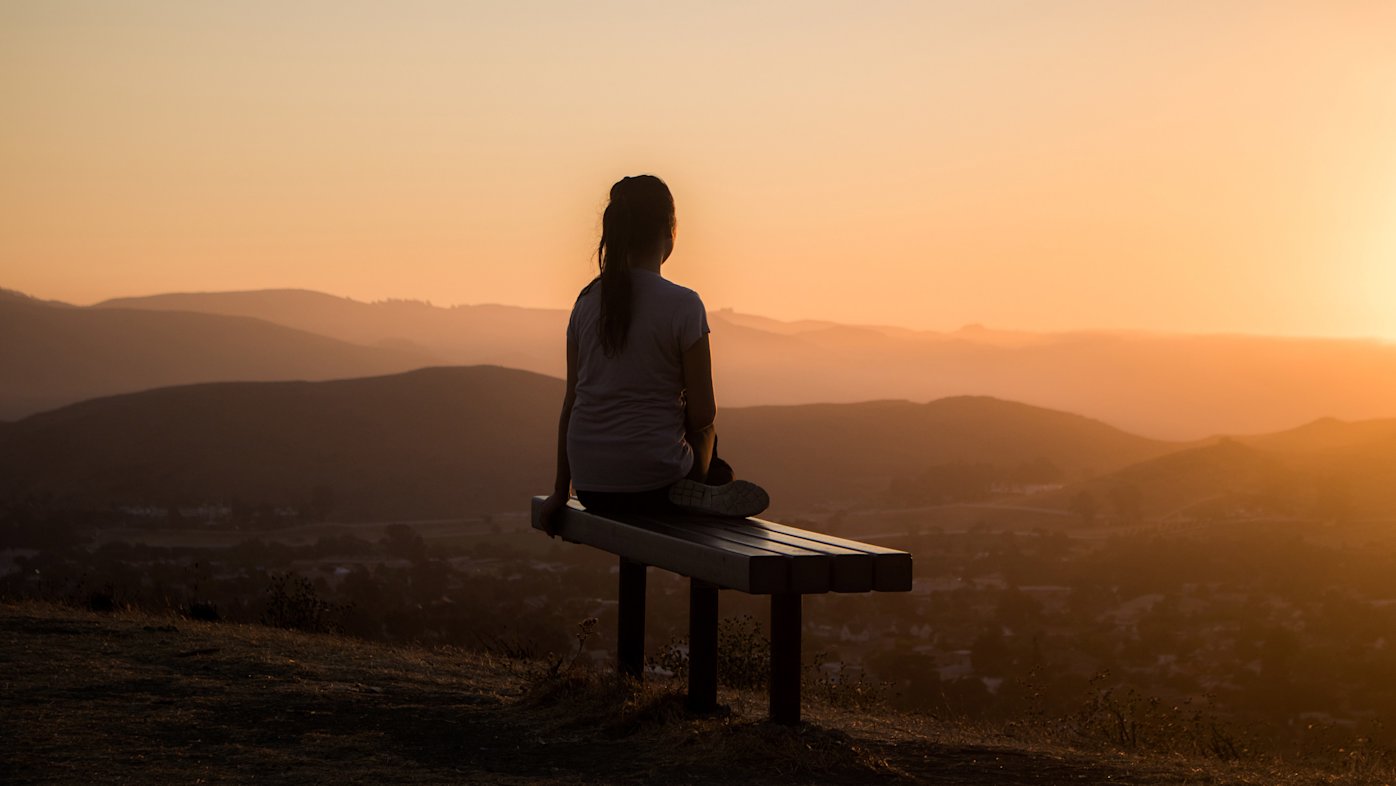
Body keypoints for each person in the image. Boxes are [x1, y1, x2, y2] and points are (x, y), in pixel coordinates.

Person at [539, 175, 767, 534]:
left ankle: (705, 485)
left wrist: (558, 491)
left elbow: (571, 403)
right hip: (657, 486)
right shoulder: (684, 304)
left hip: (591, 487)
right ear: (669, 231)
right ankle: (708, 486)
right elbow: (704, 413)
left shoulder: (585, 303)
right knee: (711, 441)